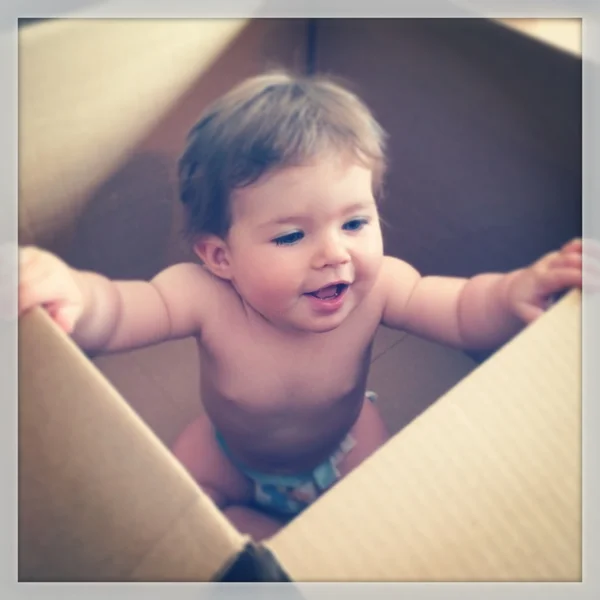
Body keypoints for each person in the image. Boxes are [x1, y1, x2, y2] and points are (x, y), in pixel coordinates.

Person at [18, 71, 583, 541]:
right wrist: (75, 291)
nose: (335, 254)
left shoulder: (383, 284)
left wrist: (514, 295)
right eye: (291, 236)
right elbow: (117, 309)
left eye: (356, 222)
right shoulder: (201, 297)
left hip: (344, 441)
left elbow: (463, 309)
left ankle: (322, 538)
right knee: (177, 522)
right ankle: (254, 536)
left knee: (382, 510)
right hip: (231, 453)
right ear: (221, 257)